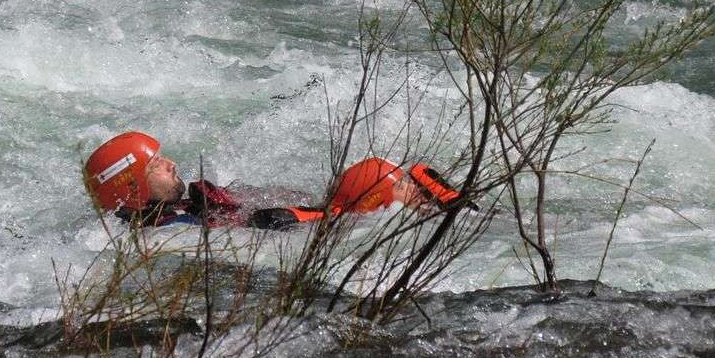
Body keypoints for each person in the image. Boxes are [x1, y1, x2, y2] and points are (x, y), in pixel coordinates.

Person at [84, 131, 464, 229]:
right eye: (156, 165)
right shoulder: (161, 230)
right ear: (131, 187)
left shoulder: (171, 212)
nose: (170, 163)